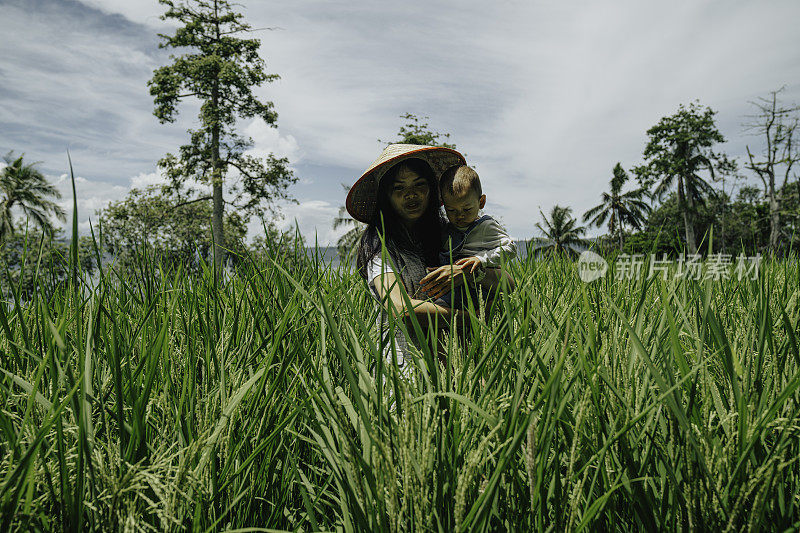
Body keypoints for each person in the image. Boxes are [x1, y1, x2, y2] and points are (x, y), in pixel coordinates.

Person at [346, 144, 514, 367]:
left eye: (420, 185)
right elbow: (399, 308)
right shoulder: (380, 243)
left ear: (433, 191)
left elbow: (509, 285)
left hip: (458, 360)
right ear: (386, 197)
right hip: (405, 362)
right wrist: (469, 318)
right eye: (399, 188)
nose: (411, 194)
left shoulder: (450, 232)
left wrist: (468, 272)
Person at [423, 164, 517, 308]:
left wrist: (481, 259)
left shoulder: (485, 226)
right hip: (453, 286)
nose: (460, 215)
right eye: (451, 210)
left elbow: (510, 248)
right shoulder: (447, 229)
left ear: (481, 202)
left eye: (467, 209)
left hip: (478, 287)